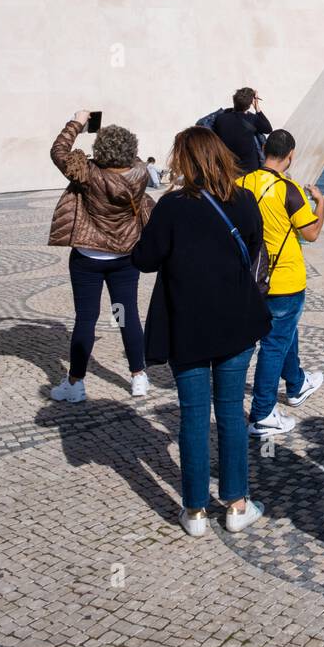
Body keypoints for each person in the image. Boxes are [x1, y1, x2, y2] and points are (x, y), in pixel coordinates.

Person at [131, 127, 271, 537]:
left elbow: (145, 260)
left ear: (184, 160)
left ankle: (194, 512)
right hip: (234, 322)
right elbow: (255, 243)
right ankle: (237, 505)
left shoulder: (172, 206)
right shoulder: (244, 200)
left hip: (186, 324)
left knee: (193, 416)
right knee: (229, 413)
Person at [47, 111, 153, 403]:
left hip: (88, 258)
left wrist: (78, 122)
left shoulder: (86, 173)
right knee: (125, 314)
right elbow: (131, 160)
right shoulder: (141, 173)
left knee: (87, 318)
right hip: (124, 257)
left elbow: (58, 151)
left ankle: (75, 384)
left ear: (99, 151)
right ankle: (138, 377)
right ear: (131, 150)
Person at [237, 129, 324, 436]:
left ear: (263, 149)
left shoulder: (241, 183)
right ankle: (261, 414)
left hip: (251, 277)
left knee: (285, 332)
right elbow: (311, 233)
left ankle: (297, 383)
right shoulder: (289, 190)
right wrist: (320, 202)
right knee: (274, 344)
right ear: (291, 156)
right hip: (285, 279)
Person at [212, 87, 272, 173]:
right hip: (249, 169)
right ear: (251, 103)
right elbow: (268, 129)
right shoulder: (252, 119)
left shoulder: (220, 118)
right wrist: (257, 108)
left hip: (228, 168)